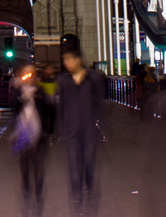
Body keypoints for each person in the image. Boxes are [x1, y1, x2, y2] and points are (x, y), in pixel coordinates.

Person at [57, 34, 105, 216]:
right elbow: (59, 107)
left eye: (69, 60)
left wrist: (99, 124)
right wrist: (60, 130)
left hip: (89, 131)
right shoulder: (62, 81)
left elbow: (99, 104)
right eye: (64, 60)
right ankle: (78, 197)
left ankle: (89, 191)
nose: (66, 64)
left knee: (88, 166)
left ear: (78, 60)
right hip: (71, 132)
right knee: (73, 168)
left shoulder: (93, 79)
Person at [9, 64, 47, 213]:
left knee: (38, 166)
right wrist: (22, 97)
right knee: (25, 167)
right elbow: (12, 105)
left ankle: (38, 193)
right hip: (22, 133)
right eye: (27, 74)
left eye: (31, 74)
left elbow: (47, 108)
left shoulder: (40, 90)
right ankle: (26, 190)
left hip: (38, 133)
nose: (29, 77)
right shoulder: (18, 90)